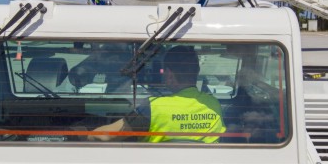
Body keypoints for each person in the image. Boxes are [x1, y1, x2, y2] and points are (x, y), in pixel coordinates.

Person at [90, 45, 226, 143]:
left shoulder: (154, 107)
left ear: (170, 75)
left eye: (163, 72)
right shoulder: (213, 104)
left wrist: (85, 134)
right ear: (196, 72)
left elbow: (107, 136)